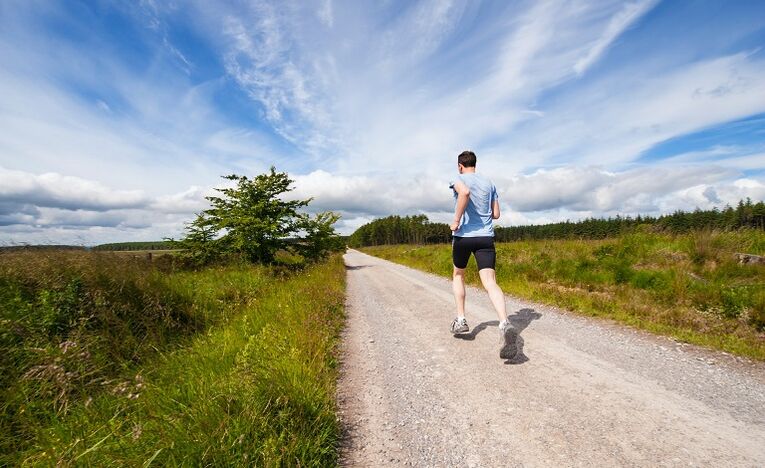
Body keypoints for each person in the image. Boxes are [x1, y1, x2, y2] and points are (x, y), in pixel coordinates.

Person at [449, 150, 516, 359]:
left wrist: (456, 220)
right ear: (475, 164)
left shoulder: (458, 179)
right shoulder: (489, 183)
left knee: (459, 274)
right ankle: (504, 323)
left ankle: (461, 320)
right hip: (486, 237)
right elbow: (496, 214)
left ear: (460, 165)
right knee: (490, 282)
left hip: (463, 237)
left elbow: (465, 193)